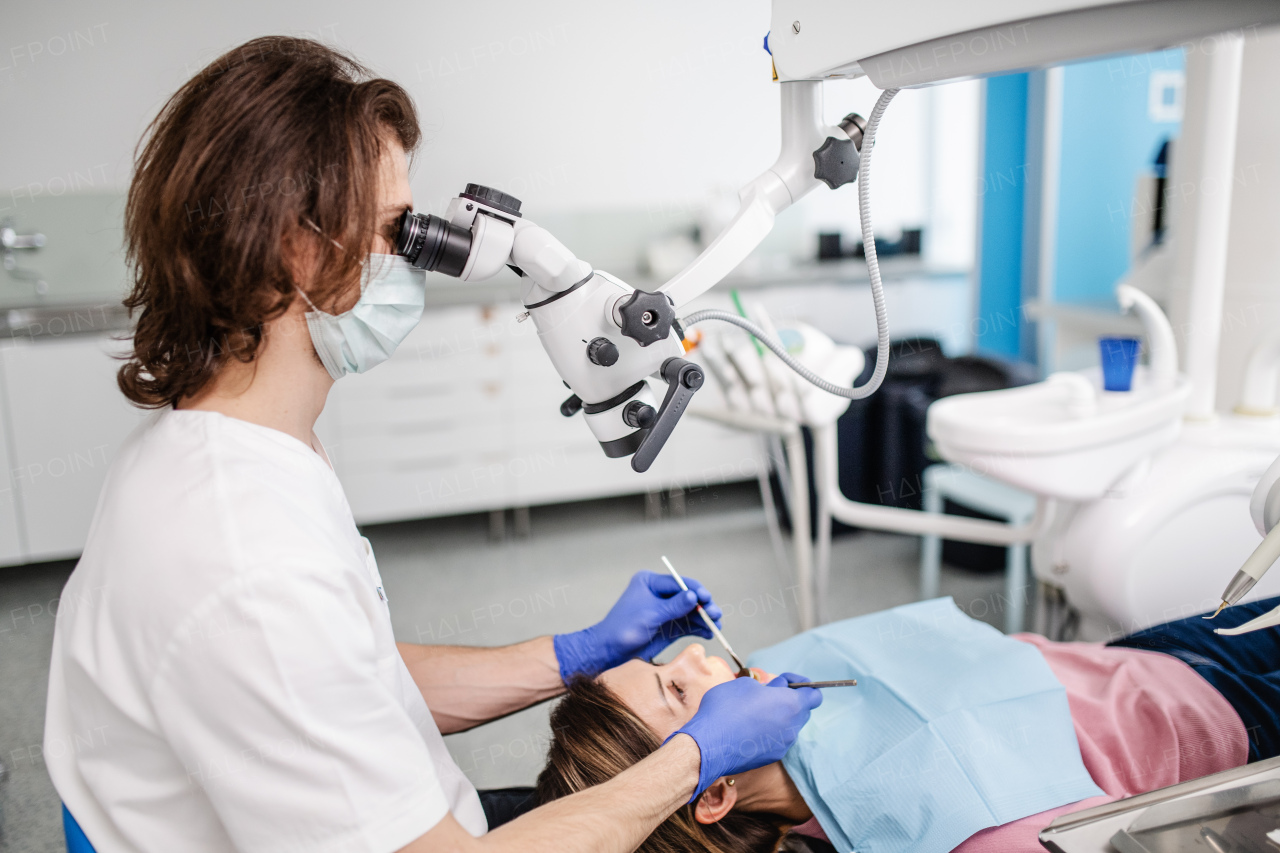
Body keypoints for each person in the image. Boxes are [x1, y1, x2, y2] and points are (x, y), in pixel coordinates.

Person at [42, 37, 822, 853]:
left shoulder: (245, 449)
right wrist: (693, 759)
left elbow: (355, 681)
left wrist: (575, 653)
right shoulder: (245, 558)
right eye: (395, 230)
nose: (414, 260)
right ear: (298, 250)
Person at [534, 596, 1280, 853]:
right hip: (1229, 713)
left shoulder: (773, 675)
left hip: (1134, 656)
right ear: (712, 791)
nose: (697, 652)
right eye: (673, 687)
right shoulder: (945, 826)